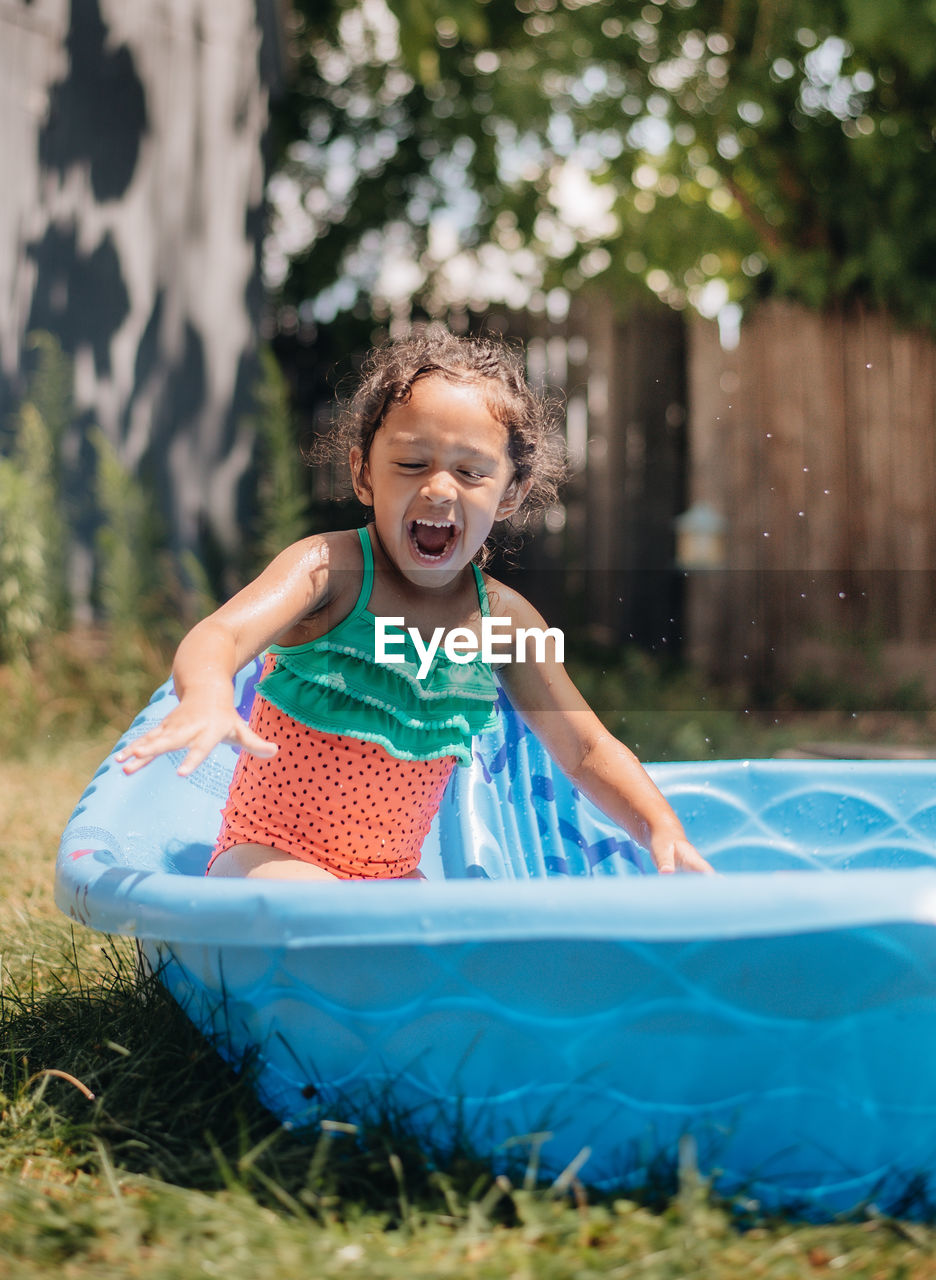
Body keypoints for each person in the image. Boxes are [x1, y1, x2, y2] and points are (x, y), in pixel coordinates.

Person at [117, 329, 712, 879]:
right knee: (318, 917)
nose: (437, 487)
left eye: (470, 471)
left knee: (450, 949)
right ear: (364, 474)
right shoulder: (330, 570)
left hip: (391, 878)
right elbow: (219, 636)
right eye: (410, 463)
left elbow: (585, 750)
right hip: (269, 855)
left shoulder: (502, 621)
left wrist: (658, 824)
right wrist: (207, 693)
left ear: (511, 494)